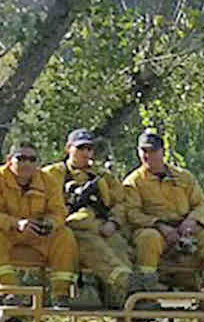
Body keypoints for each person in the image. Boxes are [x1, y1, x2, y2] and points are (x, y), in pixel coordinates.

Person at [121, 129, 204, 292]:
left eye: (153, 151)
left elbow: (201, 203)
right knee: (148, 239)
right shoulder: (133, 182)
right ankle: (145, 294)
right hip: (155, 232)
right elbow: (132, 213)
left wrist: (192, 221)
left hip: (187, 231)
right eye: (143, 151)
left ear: (162, 152)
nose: (148, 155)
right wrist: (159, 225)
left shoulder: (184, 177)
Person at [41, 129, 136, 307]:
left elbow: (121, 202)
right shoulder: (52, 174)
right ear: (68, 148)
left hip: (103, 228)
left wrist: (113, 222)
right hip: (70, 228)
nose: (86, 153)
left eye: (90, 149)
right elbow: (43, 205)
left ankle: (130, 299)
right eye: (81, 148)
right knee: (85, 238)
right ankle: (123, 279)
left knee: (120, 246)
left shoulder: (102, 176)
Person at [0, 142, 79, 302]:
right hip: (7, 233)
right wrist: (17, 224)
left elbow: (58, 211)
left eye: (32, 159)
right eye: (21, 158)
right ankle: (11, 291)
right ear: (9, 160)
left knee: (65, 235)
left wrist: (49, 223)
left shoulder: (48, 181)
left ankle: (61, 294)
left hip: (38, 236)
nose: (27, 164)